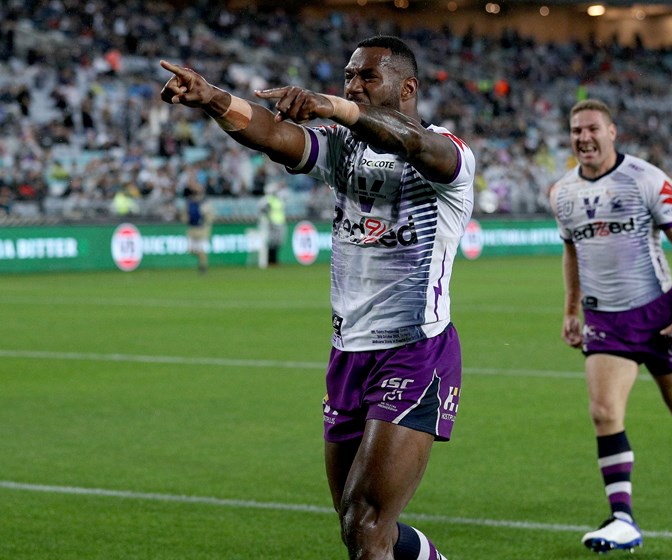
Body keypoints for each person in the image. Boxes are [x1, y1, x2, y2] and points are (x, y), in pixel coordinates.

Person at [160, 35, 475, 560]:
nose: (353, 85)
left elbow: (411, 143)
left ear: (407, 88)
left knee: (368, 525)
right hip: (347, 352)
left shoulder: (449, 154)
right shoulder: (342, 147)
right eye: (348, 76)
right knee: (358, 529)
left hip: (414, 351)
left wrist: (333, 106)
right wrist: (213, 97)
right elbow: (273, 134)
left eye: (367, 76)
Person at [548, 99, 672, 554]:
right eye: (576, 130)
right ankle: (622, 518)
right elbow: (571, 251)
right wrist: (571, 310)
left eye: (592, 128)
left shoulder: (647, 179)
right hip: (604, 320)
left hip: (657, 316)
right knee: (604, 412)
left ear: (612, 132)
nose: (584, 137)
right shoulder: (561, 193)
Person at [183, 181, 215, 274]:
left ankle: (203, 266)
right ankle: (202, 260)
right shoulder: (189, 202)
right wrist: (186, 219)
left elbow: (210, 215)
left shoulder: (204, 203)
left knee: (201, 249)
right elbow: (185, 214)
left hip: (202, 229)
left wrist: (207, 224)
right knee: (191, 250)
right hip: (192, 228)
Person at [257, 180, 287, 267]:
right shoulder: (268, 200)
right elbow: (263, 210)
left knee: (278, 242)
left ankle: (274, 260)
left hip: (280, 223)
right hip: (272, 223)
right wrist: (268, 219)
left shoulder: (278, 199)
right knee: (272, 243)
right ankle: (271, 261)